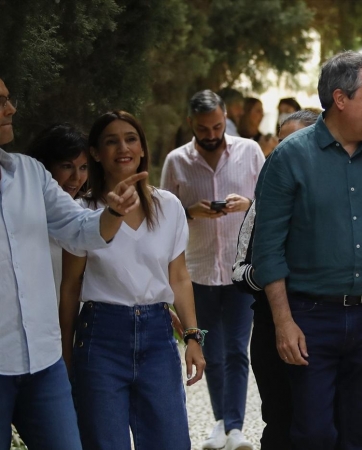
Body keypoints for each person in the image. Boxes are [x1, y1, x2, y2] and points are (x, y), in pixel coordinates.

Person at [251, 50, 362, 450]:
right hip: (310, 318)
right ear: (341, 98)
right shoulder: (288, 159)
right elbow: (267, 249)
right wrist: (283, 322)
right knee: (312, 434)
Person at [0, 77, 144, 450]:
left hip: (43, 363)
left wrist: (112, 212)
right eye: (0, 101)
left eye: (9, 99)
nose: (11, 108)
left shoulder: (29, 173)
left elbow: (79, 227)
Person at [59, 111, 205, 449]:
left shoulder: (168, 206)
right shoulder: (82, 212)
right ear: (95, 152)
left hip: (157, 336)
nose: (122, 147)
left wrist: (193, 337)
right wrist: (66, 356)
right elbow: (69, 289)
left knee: (170, 441)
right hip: (100, 339)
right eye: (111, 141)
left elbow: (180, 278)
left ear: (142, 149)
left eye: (130, 139)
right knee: (104, 442)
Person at [161, 89, 264, 450]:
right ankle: (220, 421)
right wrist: (192, 212)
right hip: (198, 272)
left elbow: (271, 201)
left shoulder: (250, 151)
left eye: (217, 126)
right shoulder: (176, 161)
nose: (211, 134)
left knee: (237, 349)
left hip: (240, 272)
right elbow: (165, 217)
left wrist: (247, 203)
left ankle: (235, 426)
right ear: (191, 124)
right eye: (203, 128)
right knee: (210, 351)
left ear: (225, 120)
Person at [232, 109, 318, 449]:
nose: (284, 152)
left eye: (296, 143)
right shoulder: (264, 198)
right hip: (270, 327)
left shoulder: (343, 197)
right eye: (280, 143)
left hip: (325, 326)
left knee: (323, 424)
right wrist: (274, 274)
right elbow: (238, 270)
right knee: (280, 422)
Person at [25, 123, 89, 301]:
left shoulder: (89, 214)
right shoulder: (25, 213)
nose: (77, 178)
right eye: (67, 166)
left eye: (84, 167)